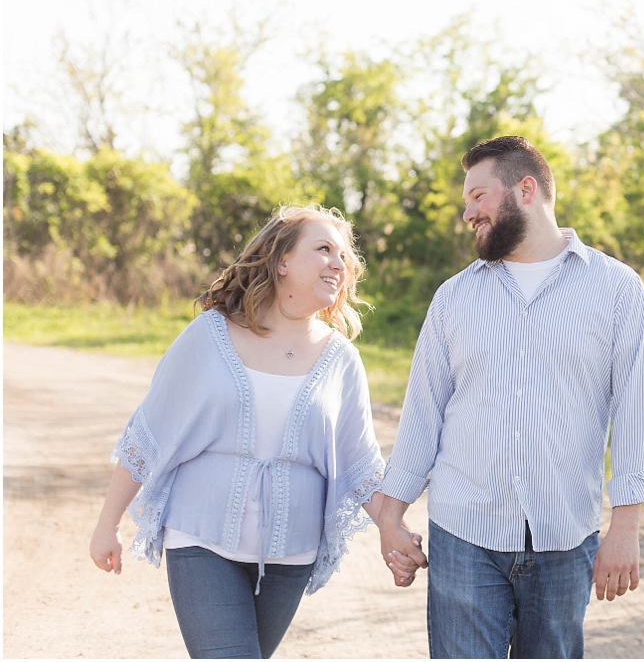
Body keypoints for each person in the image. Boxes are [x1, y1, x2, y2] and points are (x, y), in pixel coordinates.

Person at [89, 203, 419, 659]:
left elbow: (360, 466)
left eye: (344, 256)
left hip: (291, 556)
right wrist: (107, 525)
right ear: (282, 261)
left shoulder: (341, 359)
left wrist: (393, 530)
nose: (338, 264)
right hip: (201, 539)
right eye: (324, 249)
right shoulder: (210, 335)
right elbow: (150, 432)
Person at [375, 136, 644, 658]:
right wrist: (390, 516)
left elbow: (636, 416)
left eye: (478, 196)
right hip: (464, 533)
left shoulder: (618, 291)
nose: (467, 213)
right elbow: (422, 416)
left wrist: (626, 527)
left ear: (525, 189)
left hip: (564, 535)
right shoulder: (455, 298)